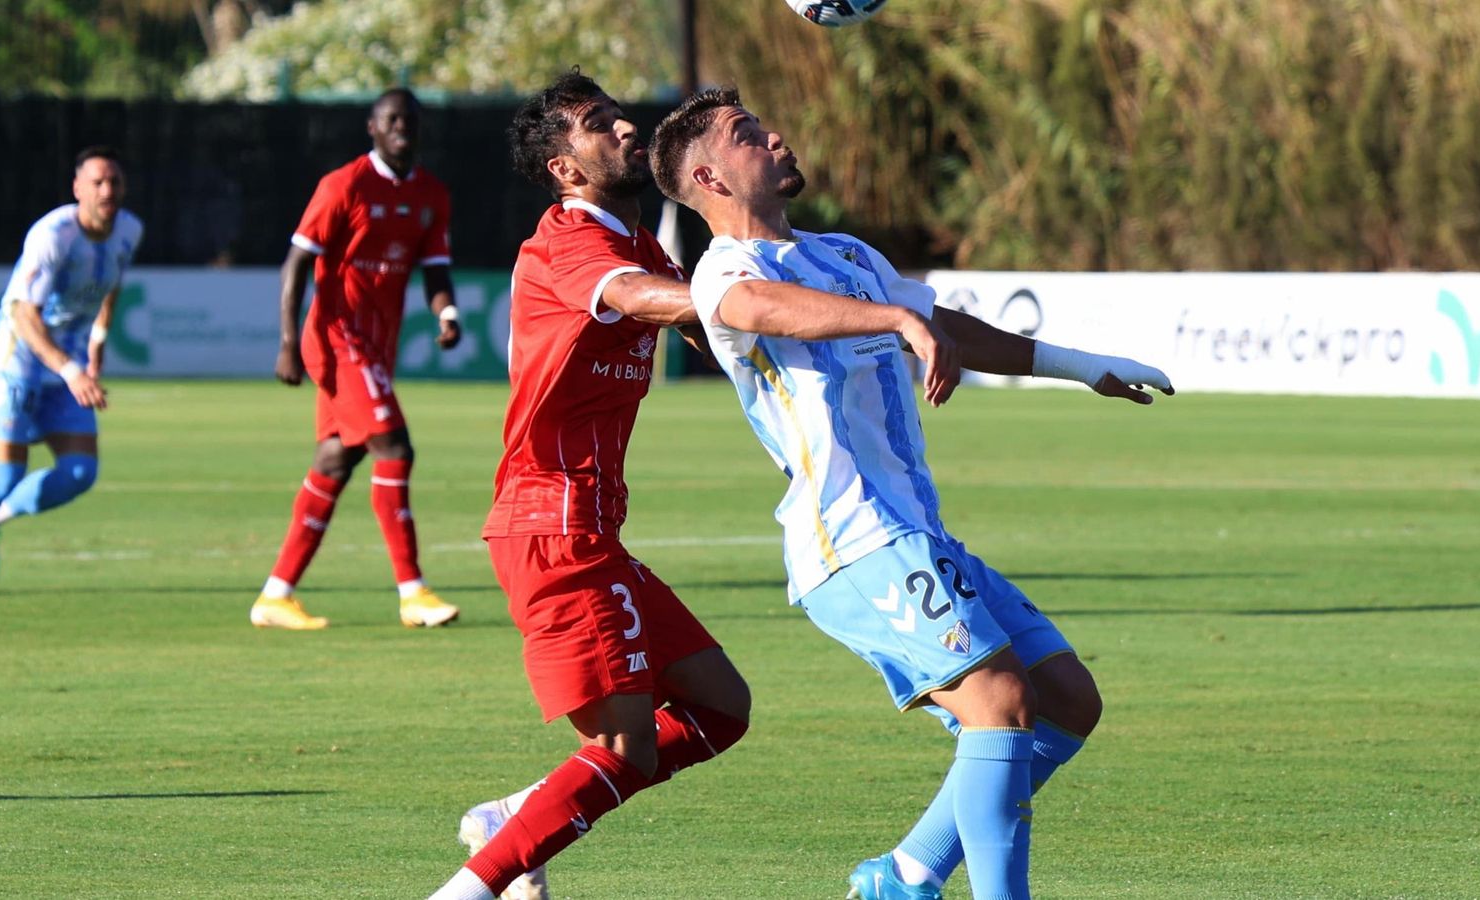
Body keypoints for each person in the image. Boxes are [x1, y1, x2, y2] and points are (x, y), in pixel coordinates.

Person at [649, 88, 1174, 900]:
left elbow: (948, 325)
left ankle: (906, 873)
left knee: (1068, 699)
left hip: (914, 533)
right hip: (850, 541)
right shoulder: (727, 269)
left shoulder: (849, 256)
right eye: (749, 135)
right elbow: (758, 309)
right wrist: (894, 319)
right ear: (711, 178)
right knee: (996, 701)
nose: (776, 135)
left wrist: (1082, 366)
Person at [426, 71, 751, 900]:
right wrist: (742, 302)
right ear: (564, 168)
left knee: (720, 709)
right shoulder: (568, 242)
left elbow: (697, 321)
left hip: (592, 528)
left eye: (618, 116)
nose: (626, 129)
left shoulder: (639, 242)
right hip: (551, 524)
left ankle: (521, 814)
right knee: (622, 750)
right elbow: (648, 302)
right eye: (598, 124)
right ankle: (469, 889)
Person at [251, 88, 464, 630]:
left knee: (336, 462)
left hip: (376, 346)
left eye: (409, 121)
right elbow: (295, 264)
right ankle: (412, 591)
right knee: (395, 445)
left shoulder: (432, 194)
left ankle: (275, 595)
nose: (401, 129)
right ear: (371, 127)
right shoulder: (343, 185)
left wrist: (447, 314)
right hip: (336, 339)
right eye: (391, 120)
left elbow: (435, 271)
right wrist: (284, 343)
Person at [0, 146, 142, 599]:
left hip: (68, 367)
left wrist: (96, 348)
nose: (107, 190)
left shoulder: (129, 231)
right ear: (77, 188)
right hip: (16, 363)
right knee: (3, 475)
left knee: (80, 472)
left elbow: (112, 287)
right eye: (96, 182)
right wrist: (71, 370)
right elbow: (23, 314)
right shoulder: (53, 235)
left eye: (114, 181)